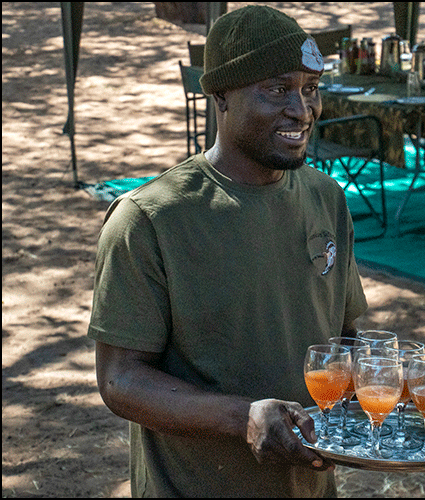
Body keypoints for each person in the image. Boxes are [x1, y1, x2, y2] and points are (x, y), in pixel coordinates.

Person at [88, 5, 368, 497]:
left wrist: (394, 384)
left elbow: (344, 339)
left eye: (310, 89)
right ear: (220, 95)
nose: (302, 110)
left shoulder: (326, 198)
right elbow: (120, 380)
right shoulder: (150, 219)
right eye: (277, 89)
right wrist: (244, 418)